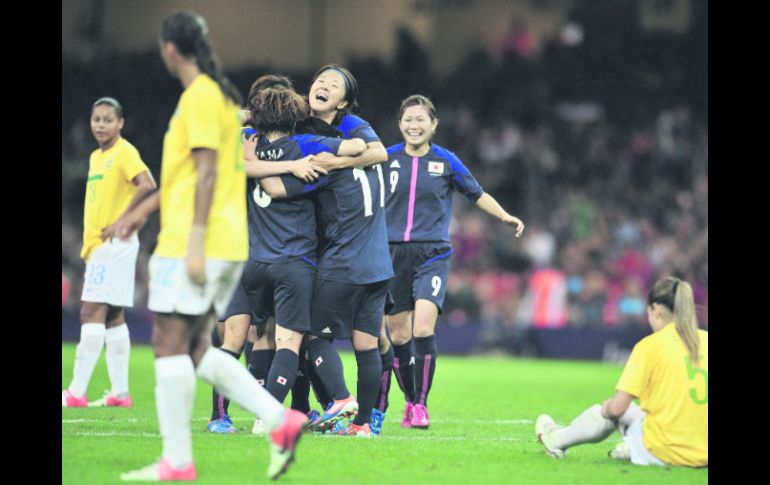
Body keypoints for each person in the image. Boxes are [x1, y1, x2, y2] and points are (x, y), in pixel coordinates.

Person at [115, 11, 306, 481]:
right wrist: (139, 212)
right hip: (226, 240)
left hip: (196, 240)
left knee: (169, 342)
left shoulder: (199, 98)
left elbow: (204, 173)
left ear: (170, 49)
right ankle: (281, 422)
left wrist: (195, 242)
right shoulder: (220, 99)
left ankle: (177, 462)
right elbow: (187, 172)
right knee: (198, 349)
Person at [258, 67, 394, 437]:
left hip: (343, 260)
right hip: (378, 261)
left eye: (334, 85)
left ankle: (338, 401)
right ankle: (364, 423)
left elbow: (276, 190)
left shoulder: (326, 156)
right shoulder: (348, 138)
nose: (323, 85)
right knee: (367, 343)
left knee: (308, 333)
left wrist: (267, 166)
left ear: (344, 103)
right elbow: (374, 154)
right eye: (320, 80)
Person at [381, 95, 524, 429]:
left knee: (423, 327)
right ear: (400, 123)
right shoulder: (384, 158)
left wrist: (504, 216)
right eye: (408, 119)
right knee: (398, 335)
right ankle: (408, 400)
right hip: (390, 254)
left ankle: (420, 405)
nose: (414, 125)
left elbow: (476, 193)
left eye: (421, 120)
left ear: (434, 125)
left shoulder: (446, 162)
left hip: (432, 253)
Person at [207, 74, 332, 434]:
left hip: (252, 254)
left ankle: (231, 415)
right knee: (271, 337)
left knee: (257, 335)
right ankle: (256, 414)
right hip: (266, 254)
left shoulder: (247, 144)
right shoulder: (297, 148)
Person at [536, 276, 708, 467]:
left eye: (648, 313)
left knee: (609, 410)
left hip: (665, 454)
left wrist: (607, 407)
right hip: (704, 456)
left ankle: (555, 440)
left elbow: (618, 408)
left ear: (657, 311)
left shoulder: (649, 346)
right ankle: (630, 447)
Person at [62, 97, 156, 409]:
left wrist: (122, 221)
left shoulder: (124, 152)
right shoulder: (95, 157)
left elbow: (147, 183)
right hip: (102, 246)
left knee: (90, 312)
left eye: (107, 119)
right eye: (96, 119)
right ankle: (120, 392)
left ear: (120, 123)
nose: (100, 125)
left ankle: (76, 392)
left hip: (113, 246)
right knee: (113, 316)